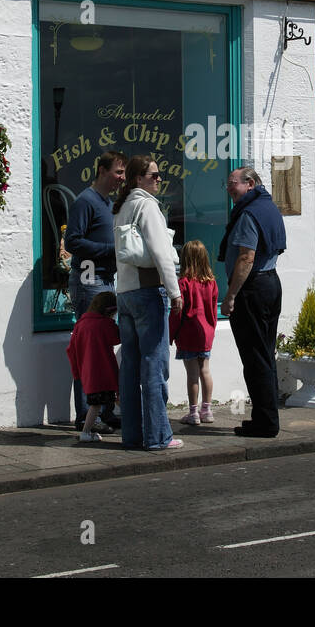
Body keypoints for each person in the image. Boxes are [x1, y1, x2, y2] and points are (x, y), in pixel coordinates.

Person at [113, 156, 184, 452]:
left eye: (159, 174)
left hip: (125, 294)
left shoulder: (123, 207)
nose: (159, 179)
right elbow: (160, 252)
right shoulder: (147, 205)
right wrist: (175, 291)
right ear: (138, 178)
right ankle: (158, 436)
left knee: (129, 369)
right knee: (155, 367)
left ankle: (132, 436)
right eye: (154, 175)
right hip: (147, 292)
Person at [219, 167, 287, 438]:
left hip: (253, 289)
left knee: (255, 358)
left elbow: (246, 257)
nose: (228, 188)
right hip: (270, 283)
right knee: (264, 354)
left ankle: (266, 422)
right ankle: (265, 417)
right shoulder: (268, 207)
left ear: (249, 183)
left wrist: (231, 295)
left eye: (232, 183)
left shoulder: (249, 213)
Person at [64, 150, 127, 430]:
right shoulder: (85, 201)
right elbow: (73, 242)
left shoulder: (106, 202)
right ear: (101, 171)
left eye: (124, 173)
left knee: (101, 348)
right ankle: (86, 415)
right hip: (90, 282)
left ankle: (101, 409)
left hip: (104, 280)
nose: (121, 178)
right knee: (91, 349)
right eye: (118, 172)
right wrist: (110, 250)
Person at [171, 240, 219, 426]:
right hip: (206, 332)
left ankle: (193, 413)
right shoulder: (212, 283)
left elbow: (177, 313)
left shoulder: (183, 283)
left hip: (188, 333)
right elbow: (214, 312)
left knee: (192, 374)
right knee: (205, 370)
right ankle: (206, 410)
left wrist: (170, 335)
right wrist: (211, 330)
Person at [65, 292, 120, 443]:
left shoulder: (80, 324)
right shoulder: (105, 324)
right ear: (110, 311)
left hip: (88, 374)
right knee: (112, 401)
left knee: (95, 404)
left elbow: (71, 350)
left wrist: (77, 373)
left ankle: (86, 432)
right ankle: (86, 433)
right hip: (105, 372)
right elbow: (117, 338)